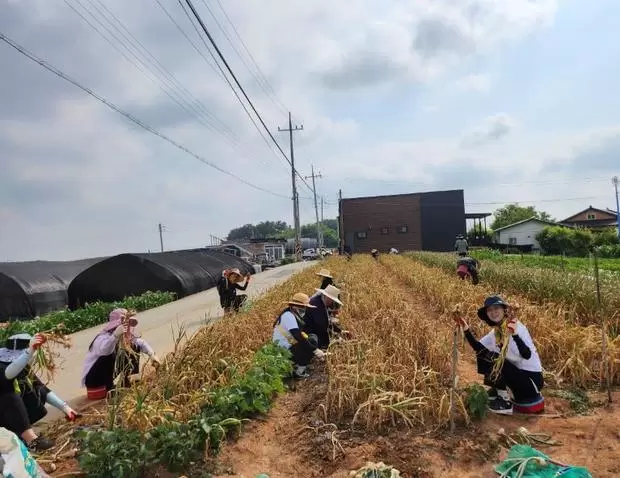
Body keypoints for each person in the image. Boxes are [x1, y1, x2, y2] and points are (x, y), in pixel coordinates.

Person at [453, 295, 544, 415]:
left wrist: (515, 335)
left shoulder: (517, 327)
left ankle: (505, 401)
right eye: (489, 310)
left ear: (504, 310)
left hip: (531, 382)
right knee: (484, 354)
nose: (493, 312)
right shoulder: (495, 332)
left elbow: (526, 355)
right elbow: (479, 347)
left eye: (496, 308)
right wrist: (466, 329)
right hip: (518, 377)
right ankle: (499, 390)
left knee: (494, 358)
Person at [0, 333, 79, 451]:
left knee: (32, 388)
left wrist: (65, 408)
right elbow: (7, 374)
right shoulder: (3, 367)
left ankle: (19, 433)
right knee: (9, 397)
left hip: (9, 416)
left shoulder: (22, 367)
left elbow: (40, 387)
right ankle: (31, 440)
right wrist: (29, 351)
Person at [82, 308, 160, 400]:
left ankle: (130, 382)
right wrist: (115, 335)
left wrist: (152, 355)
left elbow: (140, 343)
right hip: (95, 382)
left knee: (132, 348)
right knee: (113, 352)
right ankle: (110, 388)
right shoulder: (102, 337)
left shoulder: (125, 338)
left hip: (105, 379)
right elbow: (105, 351)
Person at [272, 293, 323, 379]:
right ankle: (299, 371)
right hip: (283, 351)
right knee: (310, 342)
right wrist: (314, 349)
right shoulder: (289, 316)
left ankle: (297, 365)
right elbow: (297, 335)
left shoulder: (291, 314)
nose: (305, 309)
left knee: (312, 337)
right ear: (296, 307)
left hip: (288, 345)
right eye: (304, 307)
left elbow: (297, 334)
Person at [303, 285, 344, 350]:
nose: (331, 301)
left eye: (332, 300)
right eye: (331, 299)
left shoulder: (322, 302)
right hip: (310, 334)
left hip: (316, 330)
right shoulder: (316, 303)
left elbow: (327, 321)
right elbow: (321, 325)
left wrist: (340, 331)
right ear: (326, 296)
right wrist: (335, 335)